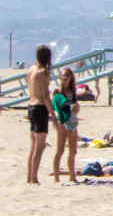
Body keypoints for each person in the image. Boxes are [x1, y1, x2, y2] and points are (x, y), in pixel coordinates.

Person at [25, 45, 53, 185]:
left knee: (33, 145)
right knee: (40, 146)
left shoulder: (31, 70)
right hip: (40, 108)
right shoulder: (43, 72)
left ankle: (29, 176)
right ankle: (34, 177)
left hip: (31, 106)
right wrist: (53, 114)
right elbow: (46, 96)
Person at [50, 66, 81, 183]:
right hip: (62, 122)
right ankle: (56, 177)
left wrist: (76, 108)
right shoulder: (58, 91)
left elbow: (75, 107)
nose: (64, 79)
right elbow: (54, 107)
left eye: (67, 76)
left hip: (72, 121)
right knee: (60, 149)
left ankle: (72, 176)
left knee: (73, 150)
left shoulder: (72, 92)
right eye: (63, 76)